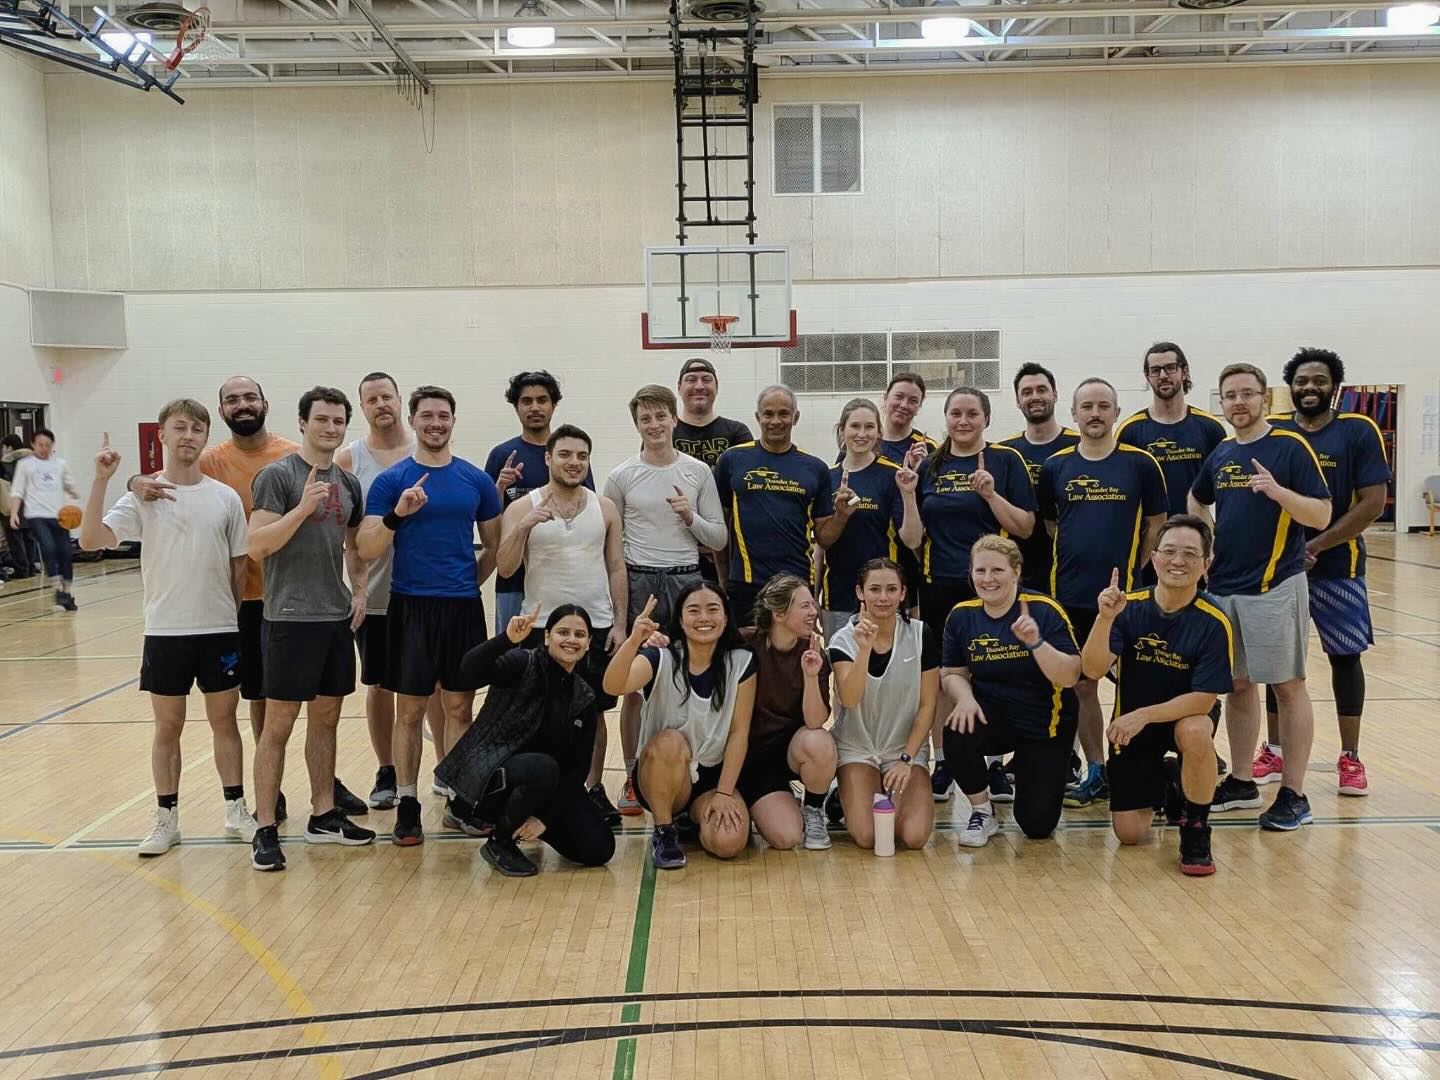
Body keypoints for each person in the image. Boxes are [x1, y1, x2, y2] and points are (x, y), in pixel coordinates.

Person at [123, 377, 364, 820]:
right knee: (262, 700)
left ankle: (326, 789)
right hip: (247, 600)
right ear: (221, 412)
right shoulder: (213, 459)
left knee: (315, 708)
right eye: (232, 400)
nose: (242, 405)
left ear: (266, 404)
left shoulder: (296, 452)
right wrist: (133, 479)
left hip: (300, 595)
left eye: (249, 397)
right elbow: (171, 475)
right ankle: (270, 798)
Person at [78, 402, 259, 856]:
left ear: (205, 437)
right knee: (168, 726)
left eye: (197, 429)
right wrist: (102, 479)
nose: (188, 436)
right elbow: (90, 541)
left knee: (225, 722)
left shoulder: (224, 497)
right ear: (161, 435)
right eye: (179, 427)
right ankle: (166, 819)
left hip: (219, 630)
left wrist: (226, 613)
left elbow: (239, 565)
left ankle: (236, 808)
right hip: (164, 630)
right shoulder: (143, 495)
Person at [357, 384, 503, 846]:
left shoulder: (475, 480)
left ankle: (459, 802)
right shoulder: (391, 481)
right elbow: (366, 547)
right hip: (410, 607)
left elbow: (495, 548)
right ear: (414, 421)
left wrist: (465, 585)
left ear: (452, 422)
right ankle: (407, 803)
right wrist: (398, 515)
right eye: (426, 416)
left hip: (461, 609)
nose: (435, 423)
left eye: (443, 415)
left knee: (460, 706)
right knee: (411, 710)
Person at [1189, 363, 1331, 831]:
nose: (1238, 403)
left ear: (1264, 399)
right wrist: (1205, 545)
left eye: (1247, 394)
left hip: (1275, 586)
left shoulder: (1290, 447)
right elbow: (1197, 499)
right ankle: (1244, 779)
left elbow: (1323, 514)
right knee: (1239, 686)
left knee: (1288, 686)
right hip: (1225, 587)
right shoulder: (1223, 452)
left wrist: (1277, 492)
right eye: (1230, 395)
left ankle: (1295, 793)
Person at [246, 387, 376, 870]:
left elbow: (355, 545)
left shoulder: (349, 483)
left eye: (338, 420)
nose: (330, 427)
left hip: (334, 619)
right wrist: (301, 509)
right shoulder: (277, 476)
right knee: (278, 726)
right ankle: (264, 826)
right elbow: (257, 545)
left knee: (326, 720)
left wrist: (359, 590)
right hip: (288, 620)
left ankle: (324, 813)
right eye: (321, 419)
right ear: (302, 423)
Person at [1260, 348, 1390, 795]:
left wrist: (1315, 545)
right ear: (1289, 386)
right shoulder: (1274, 432)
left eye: (1318, 380)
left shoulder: (1357, 430)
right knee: (1275, 662)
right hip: (1277, 570)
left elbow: (1372, 503)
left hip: (1337, 569)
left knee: (1344, 658)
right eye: (1301, 381)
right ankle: (1273, 752)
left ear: (1334, 385)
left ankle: (1350, 758)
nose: (1309, 387)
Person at [899, 386, 1035, 802]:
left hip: (995, 588)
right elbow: (912, 539)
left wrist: (990, 495)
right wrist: (907, 492)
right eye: (955, 413)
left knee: (991, 672)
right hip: (939, 584)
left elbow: (1027, 527)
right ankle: (944, 761)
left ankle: (993, 764)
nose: (963, 421)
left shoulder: (1006, 461)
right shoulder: (929, 466)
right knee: (944, 677)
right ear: (945, 418)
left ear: (986, 419)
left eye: (971, 413)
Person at [1037, 378, 1167, 808]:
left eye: (1104, 406)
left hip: (1126, 599)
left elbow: (1156, 523)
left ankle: (1135, 766)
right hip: (1069, 597)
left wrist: (1135, 571)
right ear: (1073, 413)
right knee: (1081, 686)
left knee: (1136, 686)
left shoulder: (1141, 464)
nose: (1095, 413)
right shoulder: (1056, 467)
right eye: (1087, 406)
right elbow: (1052, 524)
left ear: (1115, 412)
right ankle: (1095, 769)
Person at [1080, 515, 1235, 876]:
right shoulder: (1127, 606)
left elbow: (1203, 700)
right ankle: (1170, 779)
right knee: (1129, 834)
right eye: (1169, 551)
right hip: (1134, 725)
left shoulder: (1214, 621)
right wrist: (1104, 619)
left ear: (1206, 564)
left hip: (1180, 716)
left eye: (1189, 554)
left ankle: (1196, 828)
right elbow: (1091, 669)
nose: (1177, 561)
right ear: (1153, 557)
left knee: (1195, 731)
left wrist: (1143, 715)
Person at [604, 385, 726, 817]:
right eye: (645, 419)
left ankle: (689, 770)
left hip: (688, 580)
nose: (654, 425)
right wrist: (621, 619)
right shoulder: (621, 476)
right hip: (641, 585)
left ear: (674, 419)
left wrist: (689, 516)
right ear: (636, 424)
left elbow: (719, 537)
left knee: (689, 680)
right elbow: (612, 552)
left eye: (660, 417)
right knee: (636, 687)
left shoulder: (698, 472)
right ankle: (635, 777)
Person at [497, 423, 626, 823]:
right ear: (549, 458)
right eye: (565, 455)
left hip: (596, 626)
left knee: (594, 713)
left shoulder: (604, 507)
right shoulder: (522, 507)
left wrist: (620, 623)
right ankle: (540, 793)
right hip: (542, 629)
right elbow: (505, 567)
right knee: (537, 716)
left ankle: (592, 789)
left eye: (581, 456)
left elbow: (616, 566)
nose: (574, 462)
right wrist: (523, 526)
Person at [432, 602, 616, 877]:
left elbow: (578, 770)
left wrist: (545, 819)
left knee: (599, 847)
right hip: (489, 780)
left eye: (579, 635)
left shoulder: (584, 697)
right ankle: (500, 841)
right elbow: (468, 669)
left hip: (541, 786)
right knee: (542, 767)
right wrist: (505, 640)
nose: (571, 640)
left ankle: (526, 823)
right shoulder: (522, 663)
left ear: (589, 643)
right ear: (547, 637)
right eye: (562, 632)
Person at [335, 372, 435, 811]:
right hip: (374, 595)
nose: (381, 404)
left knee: (427, 685)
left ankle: (443, 770)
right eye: (371, 399)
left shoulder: (425, 449)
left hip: (423, 591)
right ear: (363, 407)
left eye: (387, 396)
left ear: (399, 401)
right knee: (379, 685)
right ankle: (386, 769)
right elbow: (350, 536)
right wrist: (357, 589)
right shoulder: (349, 459)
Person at [604, 584, 757, 870]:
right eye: (693, 610)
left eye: (713, 609)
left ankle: (691, 821)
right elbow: (613, 685)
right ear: (681, 619)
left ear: (725, 618)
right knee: (671, 742)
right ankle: (664, 829)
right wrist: (635, 638)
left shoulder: (741, 661)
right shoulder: (660, 657)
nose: (704, 618)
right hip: (660, 771)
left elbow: (739, 733)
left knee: (729, 843)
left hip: (710, 777)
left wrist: (724, 793)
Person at [941, 536, 1082, 847]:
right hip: (995, 716)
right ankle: (982, 810)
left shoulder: (1045, 610)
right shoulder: (962, 615)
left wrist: (1036, 643)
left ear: (1016, 571)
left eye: (997, 570)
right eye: (980, 571)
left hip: (1045, 723)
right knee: (957, 728)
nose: (987, 579)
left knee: (1036, 826)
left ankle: (1037, 772)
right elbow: (952, 673)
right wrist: (963, 697)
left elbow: (1071, 675)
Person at [828, 558, 938, 850]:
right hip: (858, 748)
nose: (883, 597)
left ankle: (892, 787)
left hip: (904, 750)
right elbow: (849, 699)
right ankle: (842, 794)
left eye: (891, 589)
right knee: (867, 837)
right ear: (860, 592)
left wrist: (907, 760)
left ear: (903, 593)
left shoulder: (920, 634)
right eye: (874, 589)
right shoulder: (842, 640)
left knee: (913, 837)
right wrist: (864, 649)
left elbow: (928, 706)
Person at [483, 370, 595, 636]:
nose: (535, 407)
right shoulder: (501, 455)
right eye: (526, 401)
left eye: (542, 400)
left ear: (553, 405)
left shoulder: (571, 456)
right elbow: (488, 527)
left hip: (561, 576)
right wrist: (498, 488)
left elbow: (588, 514)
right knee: (510, 654)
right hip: (514, 579)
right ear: (516, 406)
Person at [713, 385, 833, 627]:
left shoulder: (816, 468)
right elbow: (719, 527)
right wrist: (724, 578)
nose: (775, 421)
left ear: (795, 417)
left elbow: (824, 538)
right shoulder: (731, 460)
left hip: (796, 583)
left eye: (784, 414)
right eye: (768, 414)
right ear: (758, 417)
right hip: (744, 583)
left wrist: (841, 516)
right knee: (746, 659)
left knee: (792, 659)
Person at [734, 575, 837, 851]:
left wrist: (811, 676)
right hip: (736, 758)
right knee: (731, 838)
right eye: (804, 606)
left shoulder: (813, 653)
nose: (813, 612)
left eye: (813, 605)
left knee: (789, 837)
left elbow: (815, 721)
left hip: (781, 759)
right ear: (778, 614)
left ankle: (813, 810)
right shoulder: (742, 643)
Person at [815, 398, 915, 641]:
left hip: (884, 598)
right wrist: (814, 595)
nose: (862, 434)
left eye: (869, 427)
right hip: (837, 597)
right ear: (842, 430)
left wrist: (908, 494)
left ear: (879, 432)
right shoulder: (826, 478)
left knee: (886, 675)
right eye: (855, 426)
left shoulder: (893, 476)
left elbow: (911, 540)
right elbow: (820, 544)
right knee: (844, 675)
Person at [1116, 342, 1227, 523]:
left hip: (1198, 534)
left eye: (1170, 368)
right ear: (1147, 376)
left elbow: (1226, 491)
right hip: (1152, 537)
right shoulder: (1130, 431)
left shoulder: (1210, 428)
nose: (1163, 375)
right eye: (1155, 370)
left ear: (1184, 371)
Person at [996, 362, 1080, 594]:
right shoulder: (1003, 452)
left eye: (1042, 390)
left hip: (1069, 564)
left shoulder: (1080, 446)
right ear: (1017, 401)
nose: (1035, 397)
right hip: (1017, 566)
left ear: (1054, 394)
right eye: (1027, 392)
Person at [671, 358, 753, 585]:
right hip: (678, 549)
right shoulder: (666, 432)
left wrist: (717, 539)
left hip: (727, 549)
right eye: (691, 380)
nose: (699, 385)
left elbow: (744, 494)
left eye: (706, 379)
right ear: (679, 387)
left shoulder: (737, 433)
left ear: (716, 387)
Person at [9, 428, 80, 610]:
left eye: (47, 445)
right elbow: (17, 490)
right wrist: (15, 512)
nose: (44, 448)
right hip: (36, 514)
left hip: (59, 515)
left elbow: (69, 484)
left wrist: (73, 492)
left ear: (52, 445)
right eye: (40, 445)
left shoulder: (60, 464)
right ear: (33, 445)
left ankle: (67, 591)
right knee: (48, 547)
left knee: (65, 552)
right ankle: (56, 588)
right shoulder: (26, 465)